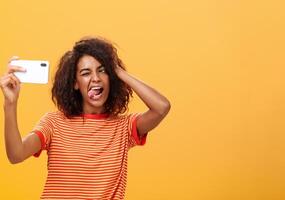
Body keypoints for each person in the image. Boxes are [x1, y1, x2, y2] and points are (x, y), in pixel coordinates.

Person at [1, 37, 171, 199]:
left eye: (102, 70)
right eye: (85, 73)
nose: (95, 78)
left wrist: (117, 71)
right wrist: (10, 104)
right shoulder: (54, 122)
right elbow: (16, 154)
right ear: (75, 83)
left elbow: (161, 107)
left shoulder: (124, 127)